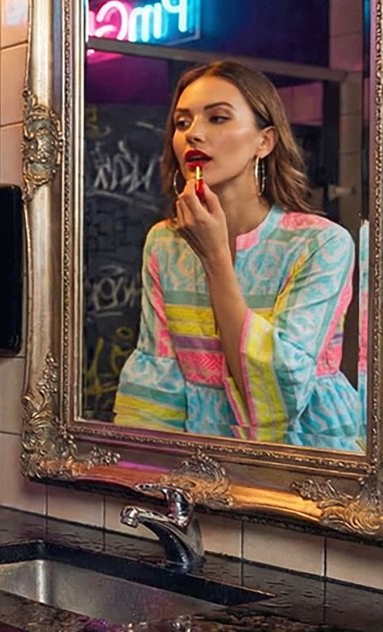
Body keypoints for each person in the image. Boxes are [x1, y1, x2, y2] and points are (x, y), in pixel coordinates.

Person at [114, 60, 363, 452]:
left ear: (264, 142)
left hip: (305, 447)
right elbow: (157, 373)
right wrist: (142, 462)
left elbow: (280, 384)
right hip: (200, 447)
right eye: (182, 122)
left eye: (217, 118)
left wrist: (215, 257)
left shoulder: (320, 243)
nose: (194, 134)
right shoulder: (165, 242)